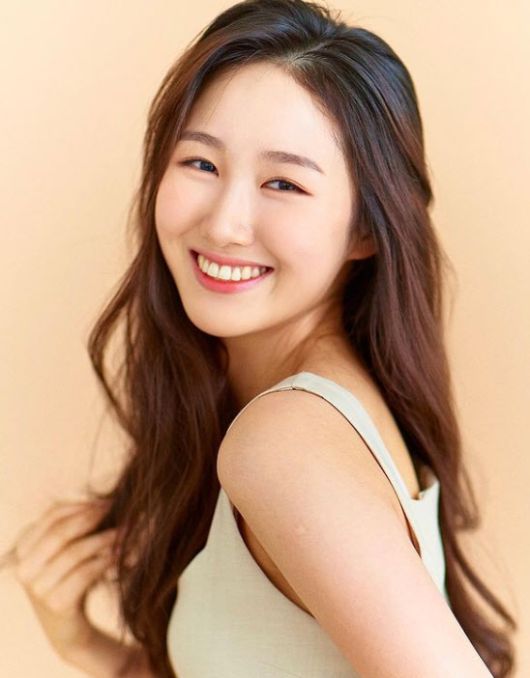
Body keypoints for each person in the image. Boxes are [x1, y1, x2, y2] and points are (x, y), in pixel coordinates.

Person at [3, 0, 517, 676]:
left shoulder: (284, 441)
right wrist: (86, 646)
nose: (225, 224)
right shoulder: (327, 409)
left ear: (365, 229)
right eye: (201, 164)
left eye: (284, 183)